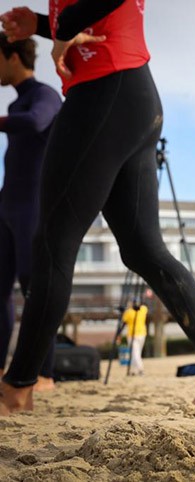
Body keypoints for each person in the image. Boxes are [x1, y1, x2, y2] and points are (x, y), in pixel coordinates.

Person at [0, 1, 195, 414]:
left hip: (102, 93)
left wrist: (60, 32)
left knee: (52, 244)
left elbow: (86, 14)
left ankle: (18, 385)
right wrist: (44, 25)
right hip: (131, 96)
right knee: (142, 248)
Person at [0, 32, 62, 392]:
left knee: (34, 287)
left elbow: (35, 122)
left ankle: (45, 374)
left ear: (11, 56)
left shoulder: (45, 95)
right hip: (8, 205)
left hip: (32, 209)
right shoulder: (14, 105)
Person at [121, 299, 148, 376]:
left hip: (135, 334)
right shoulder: (142, 309)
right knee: (135, 353)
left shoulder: (128, 312)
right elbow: (144, 305)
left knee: (136, 353)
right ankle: (135, 370)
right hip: (138, 334)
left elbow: (123, 323)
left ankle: (138, 369)